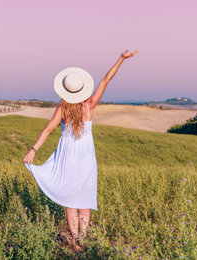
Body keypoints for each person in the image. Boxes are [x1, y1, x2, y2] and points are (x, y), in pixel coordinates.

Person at [23, 50, 138, 251]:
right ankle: (82, 239)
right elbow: (105, 80)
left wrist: (33, 150)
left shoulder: (62, 109)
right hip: (86, 159)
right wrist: (121, 59)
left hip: (67, 158)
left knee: (70, 201)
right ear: (82, 89)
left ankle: (75, 241)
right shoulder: (90, 105)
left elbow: (48, 130)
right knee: (84, 201)